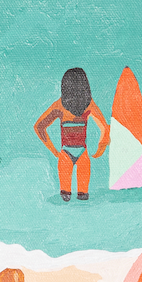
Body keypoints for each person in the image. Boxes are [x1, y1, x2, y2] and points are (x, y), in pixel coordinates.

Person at [33, 66, 108, 201]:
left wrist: (54, 151)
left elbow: (39, 127)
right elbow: (104, 127)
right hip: (83, 153)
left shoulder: (59, 106)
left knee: (65, 196)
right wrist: (100, 148)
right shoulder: (89, 105)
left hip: (65, 154)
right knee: (83, 196)